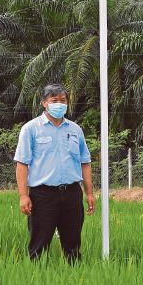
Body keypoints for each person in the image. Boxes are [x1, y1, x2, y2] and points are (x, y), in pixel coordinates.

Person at [14, 84, 95, 263]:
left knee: (73, 244)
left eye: (63, 100)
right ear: (44, 103)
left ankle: (76, 282)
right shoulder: (31, 129)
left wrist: (89, 193)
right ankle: (36, 282)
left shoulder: (75, 130)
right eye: (54, 100)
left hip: (72, 193)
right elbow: (22, 164)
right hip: (43, 195)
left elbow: (85, 163)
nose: (59, 104)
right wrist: (23, 196)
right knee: (39, 245)